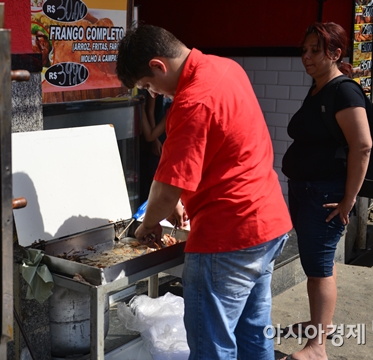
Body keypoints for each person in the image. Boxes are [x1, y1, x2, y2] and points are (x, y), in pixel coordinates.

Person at [116, 24, 293, 360]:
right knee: (254, 334)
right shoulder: (226, 67)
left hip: (227, 239)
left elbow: (166, 188)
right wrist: (182, 200)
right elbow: (217, 151)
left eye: (149, 85)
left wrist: (148, 224)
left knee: (212, 347)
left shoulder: (192, 101)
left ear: (158, 65)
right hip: (267, 223)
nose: (154, 93)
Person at [281, 22, 372, 360]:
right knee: (317, 265)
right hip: (307, 190)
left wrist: (349, 200)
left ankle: (317, 347)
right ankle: (321, 323)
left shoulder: (342, 91)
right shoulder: (319, 87)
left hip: (326, 194)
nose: (306, 57)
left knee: (318, 268)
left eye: (315, 50)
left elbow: (362, 146)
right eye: (304, 50)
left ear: (335, 53)